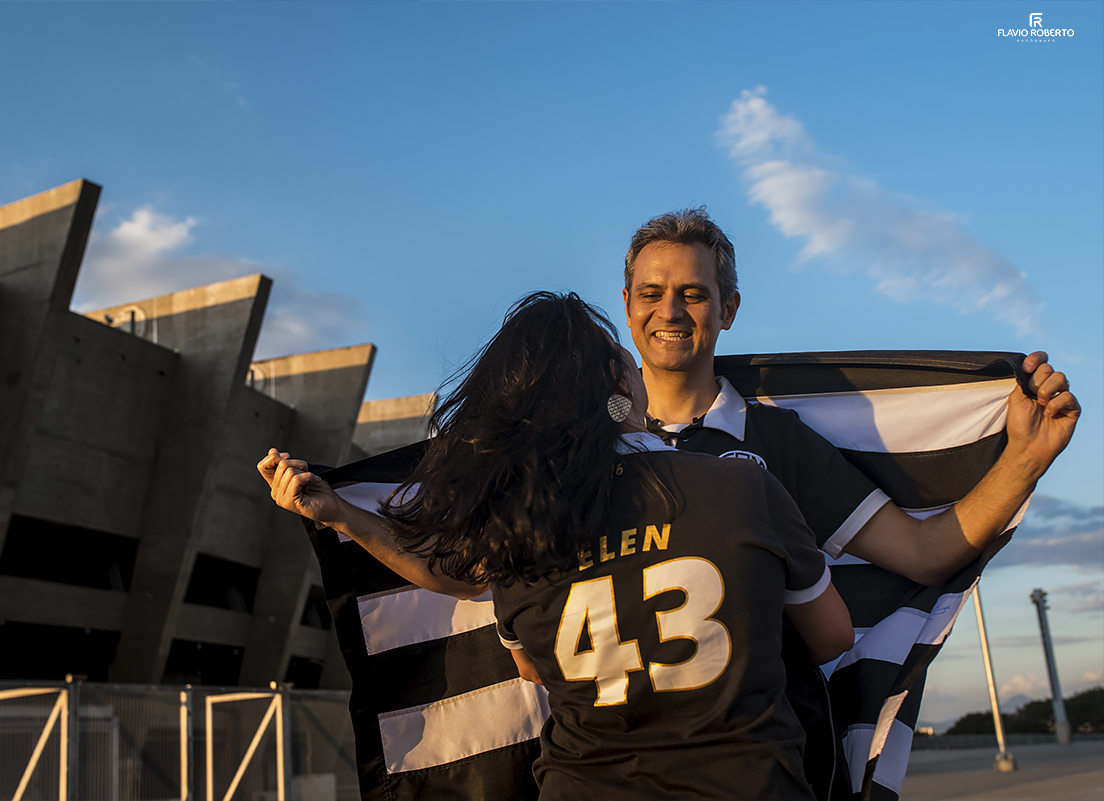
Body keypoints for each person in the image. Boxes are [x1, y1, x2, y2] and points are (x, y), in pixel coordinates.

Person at [259, 292, 854, 800]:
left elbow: (517, 650)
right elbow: (831, 636)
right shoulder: (742, 486)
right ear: (617, 385)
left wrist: (345, 517)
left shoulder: (521, 538)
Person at [621, 207, 1081, 794]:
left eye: (693, 292)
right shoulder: (578, 442)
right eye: (651, 293)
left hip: (762, 763)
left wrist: (1026, 458)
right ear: (629, 303)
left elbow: (921, 551)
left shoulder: (779, 442)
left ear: (729, 308)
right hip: (610, 764)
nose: (670, 311)